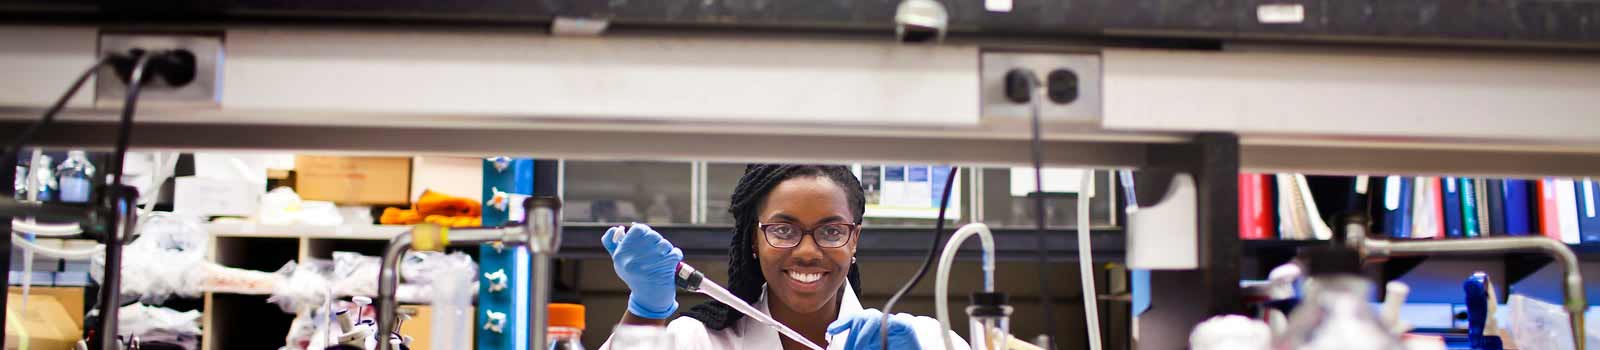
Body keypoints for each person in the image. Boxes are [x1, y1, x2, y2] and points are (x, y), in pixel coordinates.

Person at [600, 164, 969, 350]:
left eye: (831, 230)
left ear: (853, 240)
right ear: (754, 240)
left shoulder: (925, 339)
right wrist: (645, 314)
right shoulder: (699, 342)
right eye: (783, 230)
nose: (808, 252)